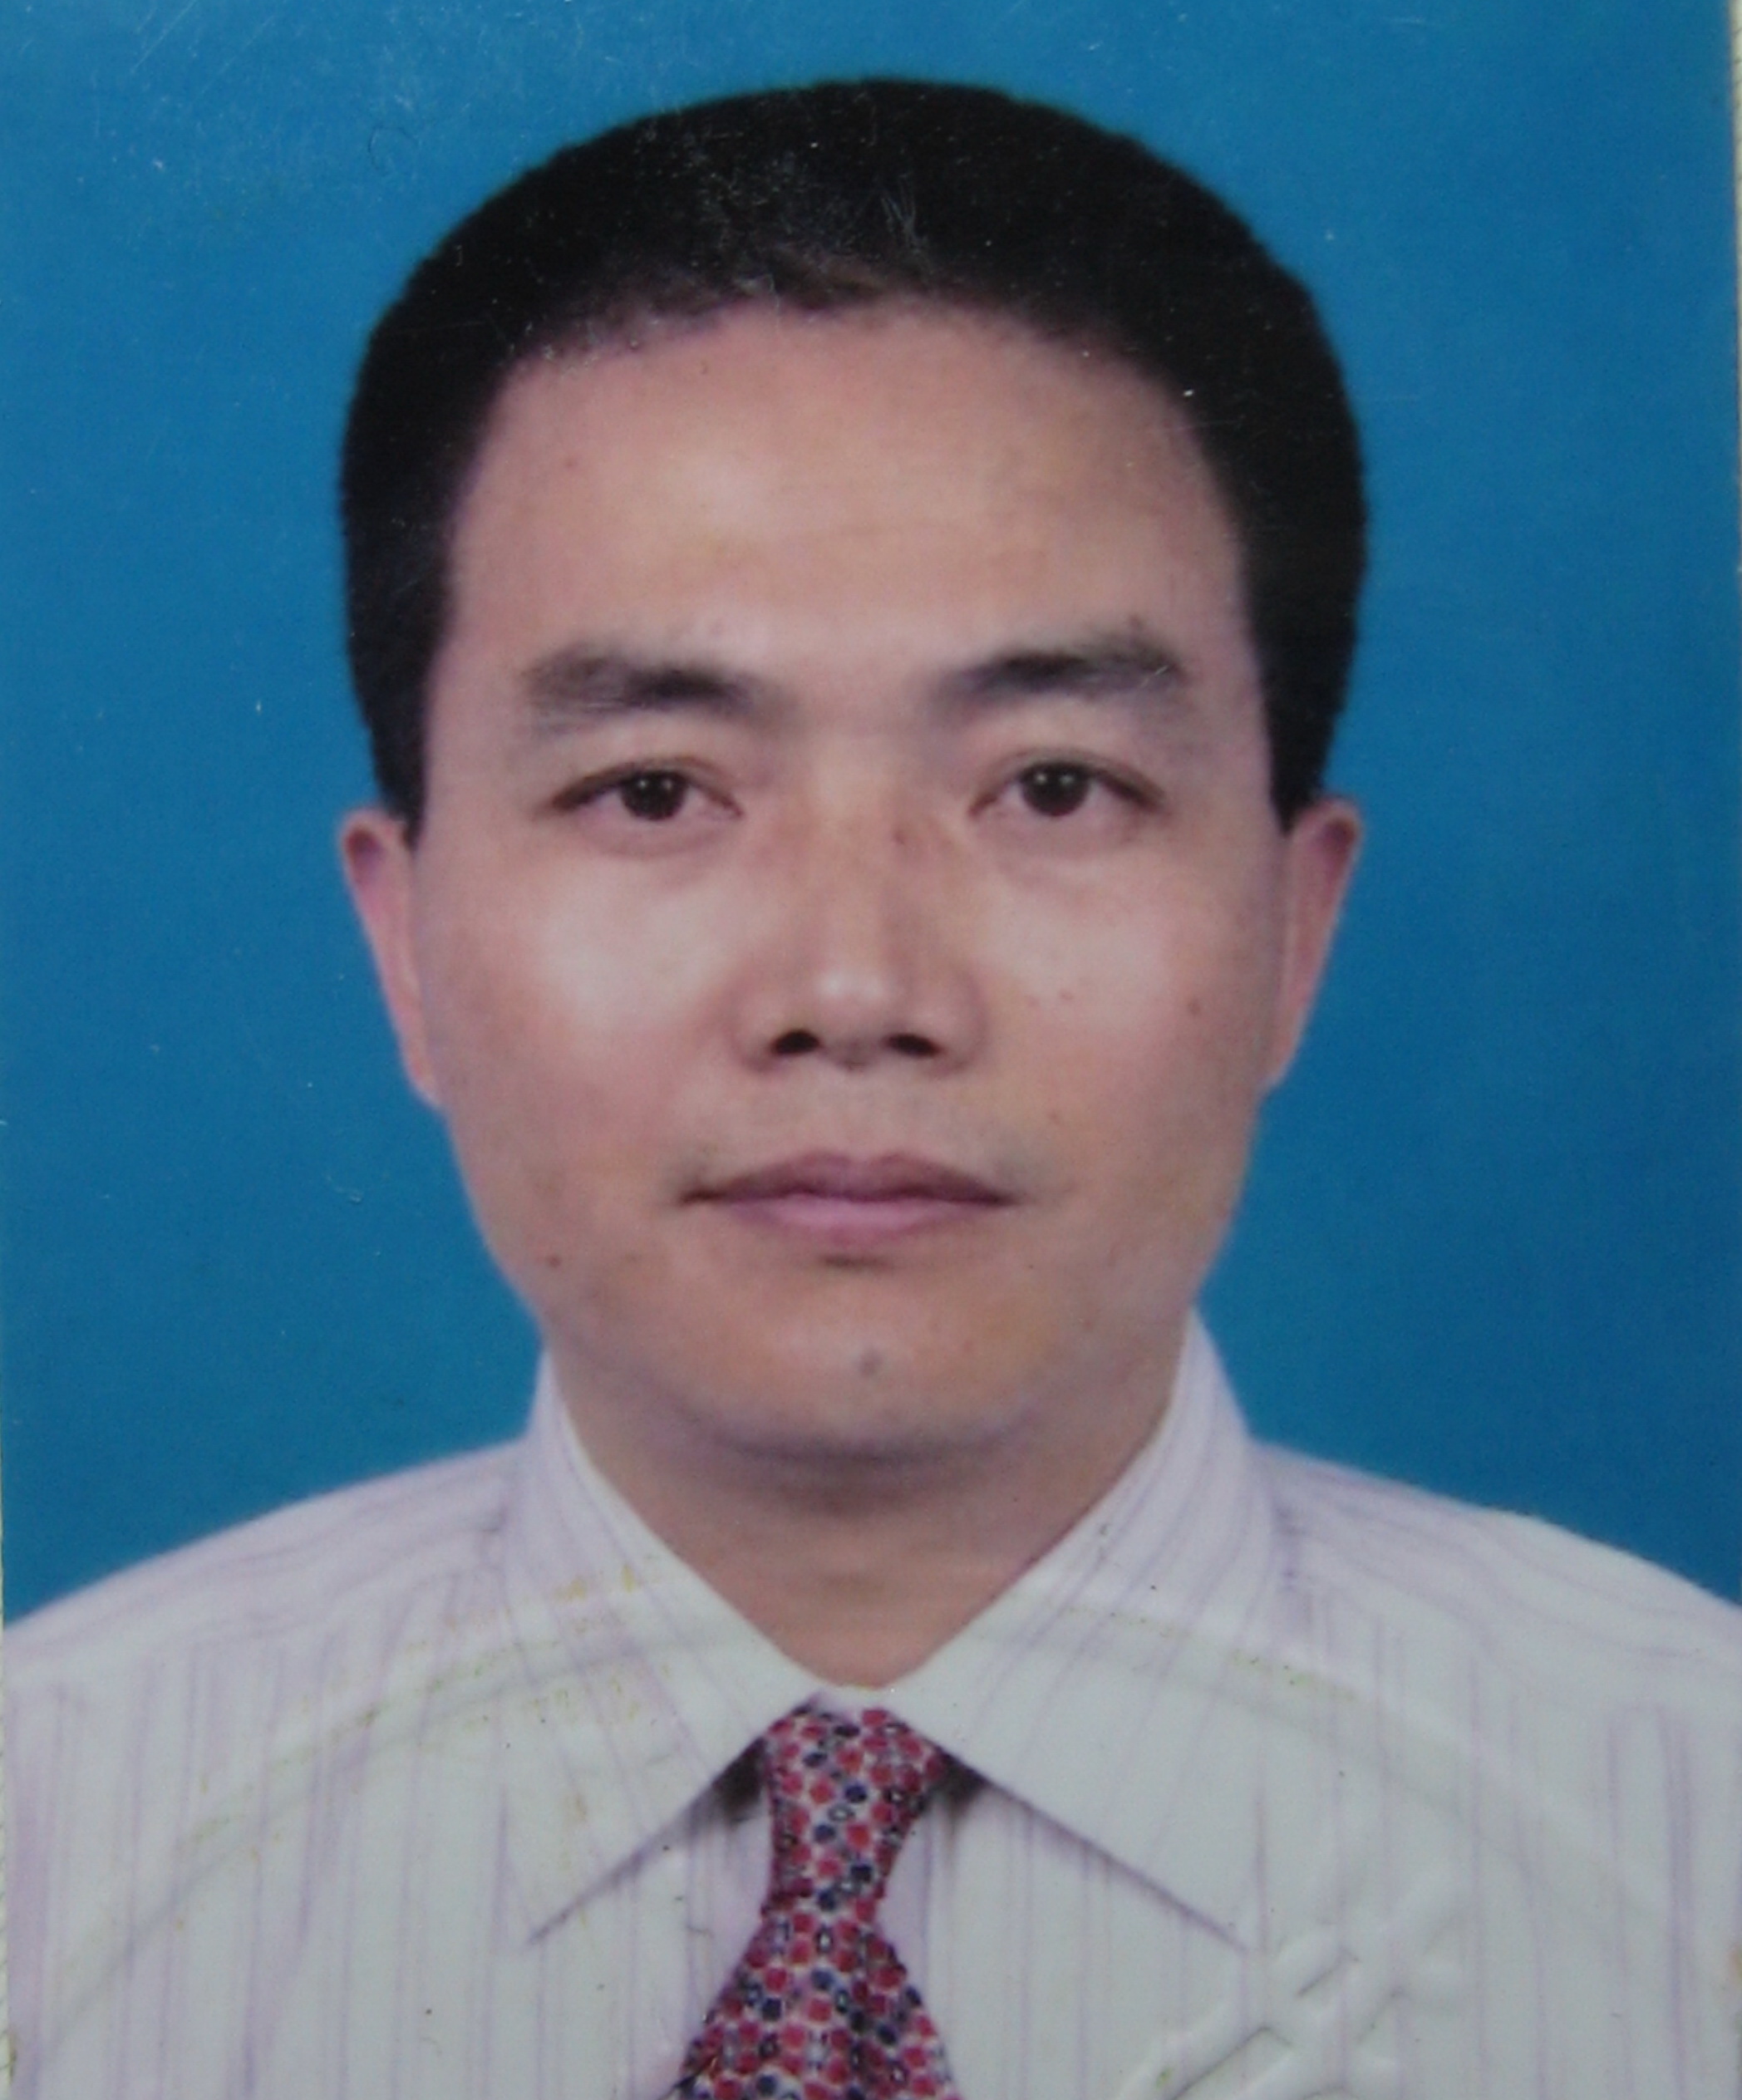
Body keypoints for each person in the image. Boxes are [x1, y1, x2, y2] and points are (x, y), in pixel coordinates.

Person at [7, 77, 1740, 2100]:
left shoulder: (1682, 1836)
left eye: (1054, 787)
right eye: (655, 789)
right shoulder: (55, 1847)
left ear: (1294, 924)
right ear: (405, 943)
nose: (855, 991)